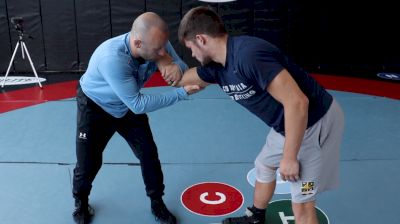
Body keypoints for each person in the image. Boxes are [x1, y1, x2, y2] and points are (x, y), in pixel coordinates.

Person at [176, 6, 344, 224]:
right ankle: (255, 218)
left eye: (191, 48)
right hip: (286, 123)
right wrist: (163, 61)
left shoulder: (248, 55)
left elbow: (297, 102)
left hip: (314, 123)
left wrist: (290, 157)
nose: (192, 55)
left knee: (302, 202)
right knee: (264, 165)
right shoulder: (217, 67)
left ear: (201, 39)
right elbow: (183, 79)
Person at [72, 12, 200, 224]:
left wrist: (171, 65)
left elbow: (181, 70)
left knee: (149, 154)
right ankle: (81, 201)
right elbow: (138, 105)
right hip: (96, 108)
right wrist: (182, 93)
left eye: (163, 47)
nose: (162, 52)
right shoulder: (112, 58)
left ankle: (157, 202)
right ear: (138, 43)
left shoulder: (158, 44)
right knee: (88, 163)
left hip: (126, 105)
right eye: (157, 50)